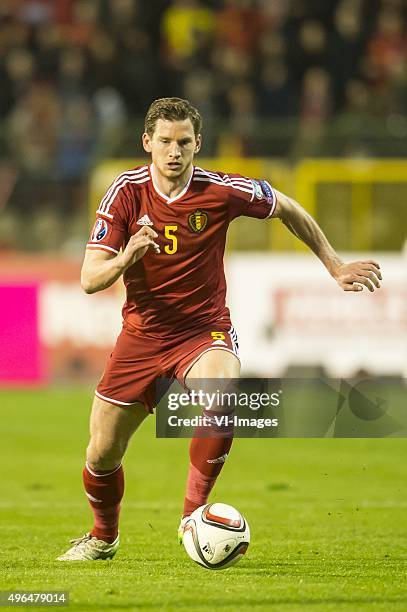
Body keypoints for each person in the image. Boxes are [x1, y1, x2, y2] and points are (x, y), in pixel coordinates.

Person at [57, 97, 381, 561]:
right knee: (101, 455)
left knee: (225, 394)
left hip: (203, 330)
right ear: (147, 142)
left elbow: (287, 207)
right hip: (141, 338)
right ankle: (103, 538)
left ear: (197, 144)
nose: (174, 152)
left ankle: (193, 514)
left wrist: (334, 264)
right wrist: (127, 256)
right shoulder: (125, 192)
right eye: (165, 141)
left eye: (184, 142)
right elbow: (90, 279)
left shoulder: (221, 190)